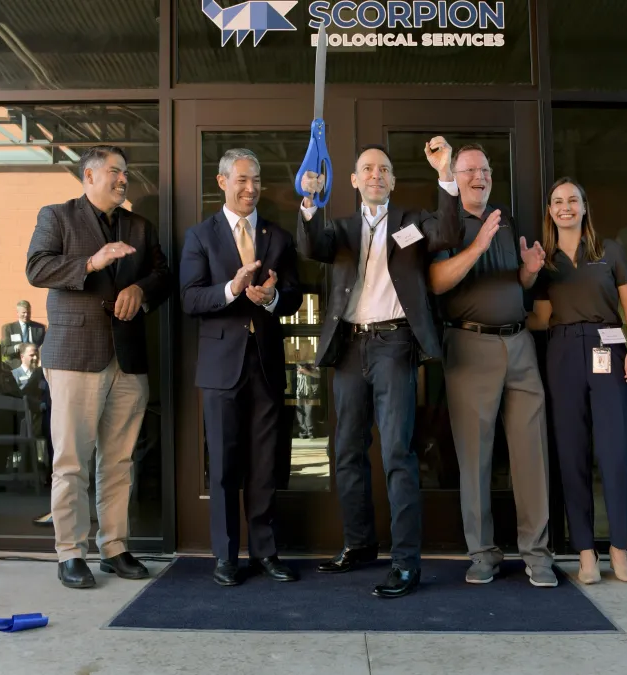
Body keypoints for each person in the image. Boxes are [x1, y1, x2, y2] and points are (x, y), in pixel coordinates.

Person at [296, 138, 461, 599]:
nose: (375, 175)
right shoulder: (342, 229)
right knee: (346, 451)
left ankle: (407, 564)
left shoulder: (413, 223)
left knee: (396, 453)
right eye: (366, 168)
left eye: (383, 169)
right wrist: (309, 202)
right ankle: (359, 545)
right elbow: (311, 246)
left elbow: (449, 234)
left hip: (394, 344)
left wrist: (445, 174)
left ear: (392, 180)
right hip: (349, 347)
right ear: (352, 180)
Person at [26, 145, 171, 590]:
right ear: (89, 176)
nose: (123, 179)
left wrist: (141, 292)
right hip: (74, 356)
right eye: (114, 171)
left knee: (119, 461)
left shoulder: (141, 227)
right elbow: (36, 268)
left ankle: (114, 547)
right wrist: (92, 261)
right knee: (71, 461)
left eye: (126, 172)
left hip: (127, 359)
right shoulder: (57, 216)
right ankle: (70, 552)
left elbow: (163, 274)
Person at [426, 144, 554, 588]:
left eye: (484, 169)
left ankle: (537, 553)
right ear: (455, 176)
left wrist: (530, 274)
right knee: (474, 457)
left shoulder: (505, 219)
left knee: (530, 453)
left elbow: (513, 284)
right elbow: (437, 281)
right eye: (468, 170)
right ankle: (482, 552)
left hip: (519, 345)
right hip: (469, 345)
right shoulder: (444, 223)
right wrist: (477, 245)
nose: (478, 176)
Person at [179, 148, 304, 587]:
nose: (251, 189)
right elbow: (191, 299)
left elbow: (293, 295)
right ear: (222, 182)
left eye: (256, 181)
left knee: (265, 464)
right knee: (226, 466)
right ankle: (226, 556)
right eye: (242, 180)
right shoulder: (200, 236)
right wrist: (231, 289)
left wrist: (271, 298)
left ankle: (267, 553)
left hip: (266, 364)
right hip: (220, 368)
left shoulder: (277, 235)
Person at [528, 178, 627, 585]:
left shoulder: (609, 251)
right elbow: (541, 317)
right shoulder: (545, 261)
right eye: (558, 201)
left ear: (584, 206)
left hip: (608, 346)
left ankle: (619, 548)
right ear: (550, 210)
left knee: (616, 451)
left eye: (572, 200)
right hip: (561, 350)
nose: (565, 207)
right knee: (571, 451)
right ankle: (585, 552)